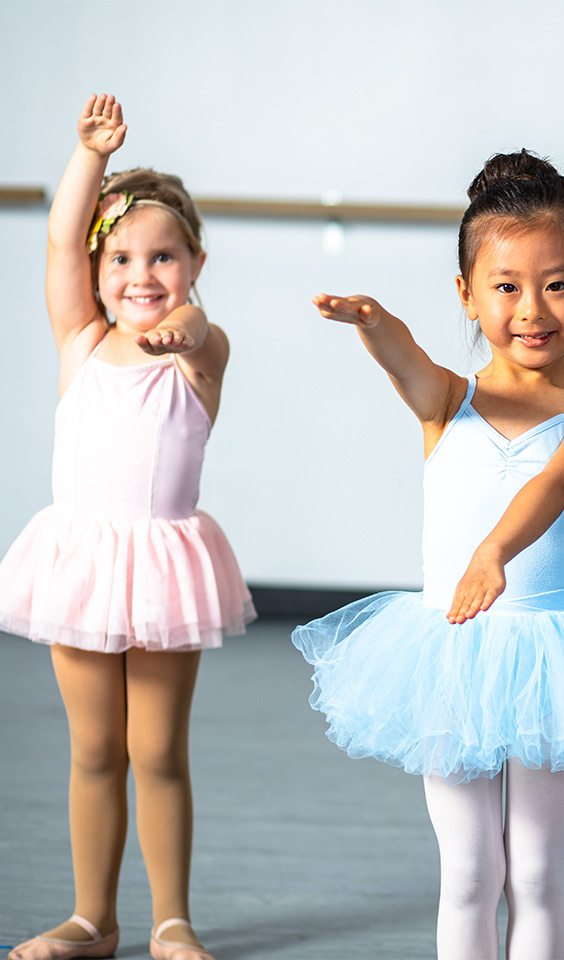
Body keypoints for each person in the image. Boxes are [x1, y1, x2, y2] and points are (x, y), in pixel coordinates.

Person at [293, 149, 564, 960]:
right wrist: (375, 325)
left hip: (558, 654)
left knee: (536, 874)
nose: (533, 308)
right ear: (468, 295)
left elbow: (553, 488)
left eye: (557, 284)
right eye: (506, 286)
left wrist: (492, 553)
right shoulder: (448, 401)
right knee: (470, 875)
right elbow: (408, 360)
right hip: (448, 653)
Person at [0, 95, 254, 960]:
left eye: (163, 258)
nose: (141, 275)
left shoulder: (198, 353)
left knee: (158, 750)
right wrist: (87, 157)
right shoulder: (79, 337)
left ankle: (171, 919)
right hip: (79, 561)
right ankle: (91, 919)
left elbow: (198, 328)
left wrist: (177, 327)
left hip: (164, 565)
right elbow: (57, 237)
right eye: (120, 259)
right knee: (96, 749)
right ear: (95, 267)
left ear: (195, 262)